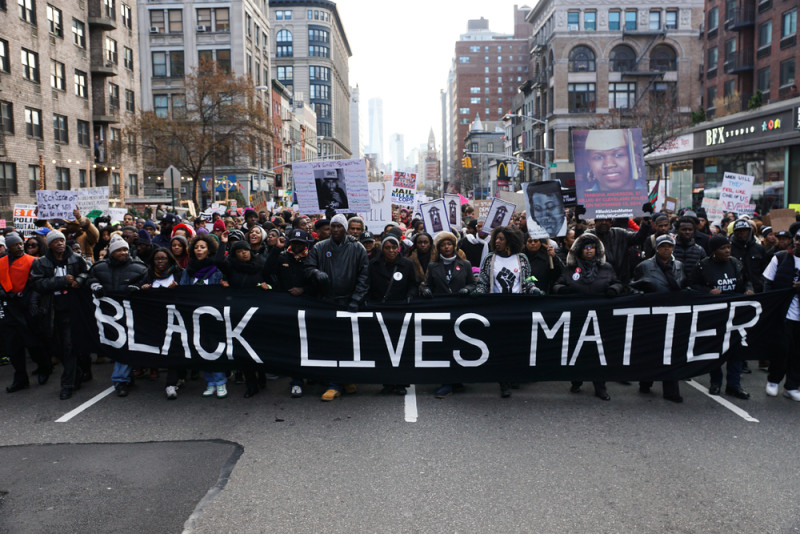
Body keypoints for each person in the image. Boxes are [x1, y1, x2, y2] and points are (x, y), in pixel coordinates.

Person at [553, 232, 626, 401]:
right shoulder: (570, 268)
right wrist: (563, 290)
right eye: (585, 248)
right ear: (579, 250)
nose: (589, 251)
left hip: (599, 317)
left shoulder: (606, 268)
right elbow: (557, 284)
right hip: (577, 317)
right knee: (577, 352)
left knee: (599, 355)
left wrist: (613, 290)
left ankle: (600, 387)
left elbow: (617, 283)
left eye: (592, 247)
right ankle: (576, 381)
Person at [305, 214, 369, 401]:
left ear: (345, 228)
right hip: (327, 303)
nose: (335, 230)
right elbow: (308, 268)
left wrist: (356, 300)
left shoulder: (358, 249)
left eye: (339, 227)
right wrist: (316, 272)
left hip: (349, 303)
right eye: (332, 226)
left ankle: (347, 378)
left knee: (349, 344)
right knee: (330, 344)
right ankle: (333, 383)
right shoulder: (319, 247)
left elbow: (364, 277)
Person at [474, 226, 544, 398]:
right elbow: (483, 282)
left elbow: (527, 280)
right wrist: (478, 293)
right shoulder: (490, 259)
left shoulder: (522, 259)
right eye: (496, 238)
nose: (497, 242)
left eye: (500, 239)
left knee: (516, 344)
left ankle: (514, 375)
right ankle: (503, 382)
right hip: (497, 308)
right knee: (500, 345)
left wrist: (534, 289)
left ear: (510, 241)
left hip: (518, 308)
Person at [30, 230, 92, 400]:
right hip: (51, 310)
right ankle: (76, 372)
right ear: (49, 245)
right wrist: (62, 281)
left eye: (62, 240)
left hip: (72, 309)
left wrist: (78, 280)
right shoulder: (41, 263)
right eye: (55, 241)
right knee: (58, 349)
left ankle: (67, 385)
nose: (60, 243)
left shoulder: (76, 258)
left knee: (69, 346)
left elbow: (87, 272)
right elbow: (37, 284)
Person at [691, 234, 753, 399]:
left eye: (728, 247)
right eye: (723, 248)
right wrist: (707, 292)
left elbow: (746, 280)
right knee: (716, 350)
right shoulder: (703, 266)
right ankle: (716, 382)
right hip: (715, 315)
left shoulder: (736, 263)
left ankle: (734, 384)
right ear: (713, 251)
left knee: (736, 349)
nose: (727, 251)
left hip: (735, 314)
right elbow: (692, 285)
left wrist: (748, 288)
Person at [88, 235, 148, 397]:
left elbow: (147, 280)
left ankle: (120, 380)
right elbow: (90, 278)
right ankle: (127, 375)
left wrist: (137, 287)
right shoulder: (99, 268)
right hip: (109, 317)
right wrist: (95, 285)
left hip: (131, 315)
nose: (123, 252)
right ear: (112, 252)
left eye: (125, 249)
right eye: (119, 250)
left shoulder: (139, 267)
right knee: (117, 346)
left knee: (125, 345)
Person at [630, 234, 686, 403]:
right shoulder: (644, 266)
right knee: (652, 351)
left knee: (671, 353)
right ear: (657, 248)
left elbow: (682, 286)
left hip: (672, 315)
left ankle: (671, 390)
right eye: (663, 246)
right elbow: (632, 286)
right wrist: (640, 296)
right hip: (652, 316)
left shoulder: (679, 266)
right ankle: (645, 382)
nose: (666, 249)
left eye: (669, 246)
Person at [420, 231, 475, 399]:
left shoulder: (464, 264)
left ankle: (457, 379)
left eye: (449, 244)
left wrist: (468, 289)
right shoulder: (433, 266)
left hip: (460, 311)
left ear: (454, 246)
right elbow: (425, 284)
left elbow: (473, 284)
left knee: (459, 346)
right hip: (441, 311)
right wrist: (426, 290)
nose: (446, 247)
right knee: (445, 347)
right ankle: (446, 382)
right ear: (439, 248)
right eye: (443, 245)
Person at [367, 234, 417, 396]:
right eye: (387, 247)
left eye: (394, 247)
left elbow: (413, 284)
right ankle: (387, 382)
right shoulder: (373, 265)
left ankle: (401, 382)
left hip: (400, 311)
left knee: (401, 348)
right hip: (381, 311)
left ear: (399, 248)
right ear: (382, 249)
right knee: (383, 349)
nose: (391, 250)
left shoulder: (407, 264)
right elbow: (368, 285)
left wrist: (409, 297)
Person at [179, 234, 227, 398]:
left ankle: (220, 382)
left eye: (203, 247)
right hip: (195, 317)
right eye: (197, 247)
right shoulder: (189, 270)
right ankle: (210, 382)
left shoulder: (217, 270)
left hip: (214, 316)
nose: (199, 250)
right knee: (202, 348)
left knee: (215, 349)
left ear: (209, 250)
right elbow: (183, 290)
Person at [762, 230, 800, 401]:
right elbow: (768, 283)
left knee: (797, 352)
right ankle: (773, 380)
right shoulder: (780, 257)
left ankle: (792, 386)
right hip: (783, 313)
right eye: (798, 239)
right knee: (781, 349)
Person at [1, 233, 38, 393]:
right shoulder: (1, 262)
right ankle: (21, 377)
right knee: (14, 346)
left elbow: (37, 282)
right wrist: (5, 293)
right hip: (10, 308)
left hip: (28, 308)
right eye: (15, 244)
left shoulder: (33, 261)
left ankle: (44, 367)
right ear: (8, 247)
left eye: (20, 243)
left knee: (34, 343)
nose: (19, 246)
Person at [582, 129, 646, 193]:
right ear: (589, 163)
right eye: (598, 157)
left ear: (635, 159)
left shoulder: (649, 196)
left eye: (619, 155)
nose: (609, 164)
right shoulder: (585, 200)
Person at [730, 218, 769, 293]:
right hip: (737, 290)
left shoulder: (759, 248)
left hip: (757, 289)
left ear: (750, 231)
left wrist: (761, 283)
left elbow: (765, 269)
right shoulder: (730, 249)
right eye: (739, 231)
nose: (742, 233)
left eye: (745, 231)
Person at [672, 216, 706, 281]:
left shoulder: (699, 250)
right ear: (677, 230)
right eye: (684, 229)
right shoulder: (670, 248)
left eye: (690, 230)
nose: (687, 232)